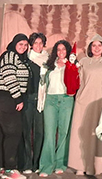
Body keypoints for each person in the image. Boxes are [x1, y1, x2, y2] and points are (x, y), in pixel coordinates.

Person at [68, 35, 102, 176]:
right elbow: (75, 79)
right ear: (90, 48)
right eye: (94, 45)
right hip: (84, 101)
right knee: (82, 133)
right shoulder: (83, 62)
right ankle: (80, 166)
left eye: (99, 45)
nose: (96, 48)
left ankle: (98, 167)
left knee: (99, 133)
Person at [0, 33, 31, 179]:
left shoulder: (18, 58)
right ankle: (10, 169)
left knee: (4, 132)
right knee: (14, 132)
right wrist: (18, 99)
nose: (23, 47)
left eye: (25, 45)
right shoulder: (10, 55)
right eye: (20, 44)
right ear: (14, 44)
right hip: (4, 97)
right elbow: (9, 77)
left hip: (4, 97)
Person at [39, 40, 75, 177]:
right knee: (49, 133)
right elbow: (43, 84)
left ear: (68, 51)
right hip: (51, 100)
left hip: (66, 100)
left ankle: (60, 164)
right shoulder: (49, 66)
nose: (61, 52)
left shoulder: (72, 65)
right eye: (58, 49)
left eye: (63, 49)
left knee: (64, 133)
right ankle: (46, 165)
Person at [18, 32, 49, 175]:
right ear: (31, 45)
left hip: (42, 100)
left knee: (39, 132)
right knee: (26, 131)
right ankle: (26, 163)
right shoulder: (26, 59)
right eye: (35, 43)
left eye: (40, 43)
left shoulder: (48, 60)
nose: (38, 46)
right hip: (28, 99)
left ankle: (37, 163)